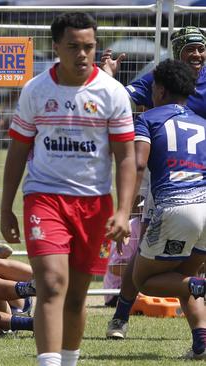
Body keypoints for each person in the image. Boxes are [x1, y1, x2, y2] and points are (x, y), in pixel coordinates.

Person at [0, 12, 136, 366]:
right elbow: (16, 152)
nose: (82, 54)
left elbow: (125, 157)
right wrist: (5, 207)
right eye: (73, 46)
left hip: (95, 206)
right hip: (44, 199)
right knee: (51, 283)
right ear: (56, 46)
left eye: (89, 47)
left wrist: (123, 211)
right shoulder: (36, 89)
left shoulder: (113, 93)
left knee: (76, 297)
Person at [101, 25, 206, 340]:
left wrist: (126, 201)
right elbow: (121, 96)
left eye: (201, 48)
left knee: (149, 269)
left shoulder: (150, 112)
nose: (197, 55)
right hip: (176, 180)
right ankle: (122, 319)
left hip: (178, 188)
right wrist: (108, 78)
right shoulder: (160, 77)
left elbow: (138, 160)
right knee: (160, 260)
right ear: (177, 51)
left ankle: (123, 318)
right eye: (190, 49)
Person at [127, 59, 206, 360]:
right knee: (184, 278)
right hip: (205, 206)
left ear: (158, 89)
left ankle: (202, 284)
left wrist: (127, 206)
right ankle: (201, 342)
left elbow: (137, 162)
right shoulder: (202, 123)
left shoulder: (148, 119)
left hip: (176, 208)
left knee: (142, 280)